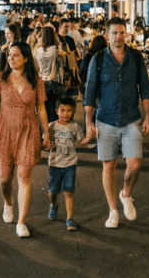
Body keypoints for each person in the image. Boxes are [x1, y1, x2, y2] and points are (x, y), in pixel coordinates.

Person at [84, 17, 149, 229]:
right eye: (114, 33)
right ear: (107, 36)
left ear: (127, 34)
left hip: (131, 118)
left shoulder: (135, 57)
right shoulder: (97, 60)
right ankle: (113, 210)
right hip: (105, 119)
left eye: (122, 32)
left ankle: (126, 194)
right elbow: (90, 93)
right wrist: (88, 121)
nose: (118, 36)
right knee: (109, 166)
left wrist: (148, 115)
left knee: (134, 164)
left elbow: (145, 88)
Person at [0, 42, 50, 238]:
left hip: (28, 130)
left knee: (24, 177)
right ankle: (8, 202)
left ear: (25, 58)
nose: (11, 59)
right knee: (5, 179)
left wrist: (46, 131)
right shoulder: (1, 79)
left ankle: (22, 222)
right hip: (5, 130)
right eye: (9, 55)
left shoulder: (36, 81)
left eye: (16, 55)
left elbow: (41, 108)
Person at [46, 95, 89, 232]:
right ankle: (54, 205)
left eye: (69, 111)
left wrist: (90, 137)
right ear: (57, 110)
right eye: (62, 110)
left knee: (69, 191)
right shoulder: (51, 126)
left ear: (73, 112)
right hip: (54, 164)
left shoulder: (75, 127)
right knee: (53, 191)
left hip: (70, 164)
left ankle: (69, 219)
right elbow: (45, 142)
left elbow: (82, 141)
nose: (65, 114)